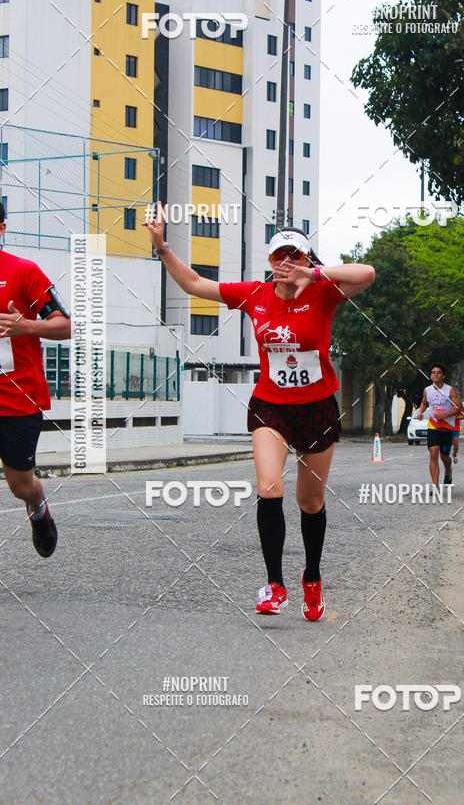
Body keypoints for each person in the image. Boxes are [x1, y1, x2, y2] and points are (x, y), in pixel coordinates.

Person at [144, 217, 375, 621]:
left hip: (317, 408)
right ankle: (275, 585)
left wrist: (314, 274)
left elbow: (368, 273)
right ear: (269, 261)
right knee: (269, 487)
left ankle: (312, 577)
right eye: (278, 254)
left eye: (294, 254)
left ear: (306, 258)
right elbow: (194, 284)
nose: (286, 261)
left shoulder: (324, 291)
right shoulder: (255, 294)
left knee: (310, 501)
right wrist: (162, 246)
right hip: (271, 406)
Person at [0, 202, 71, 557]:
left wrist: (26, 325)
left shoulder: (24, 272)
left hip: (18, 398)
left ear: (2, 228)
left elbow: (66, 325)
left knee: (20, 485)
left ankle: (39, 509)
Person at [416, 364, 463, 486]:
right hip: (433, 426)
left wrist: (444, 415)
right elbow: (424, 403)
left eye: (438, 372)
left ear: (443, 376)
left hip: (447, 427)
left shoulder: (450, 390)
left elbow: (459, 408)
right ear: (431, 376)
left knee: (444, 456)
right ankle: (435, 485)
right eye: (433, 372)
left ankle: (448, 471)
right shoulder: (427, 390)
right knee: (433, 454)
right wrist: (421, 412)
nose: (436, 374)